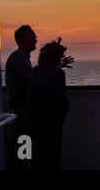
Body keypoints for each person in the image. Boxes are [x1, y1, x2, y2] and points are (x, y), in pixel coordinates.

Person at [28, 37, 71, 170]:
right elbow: (60, 98)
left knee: (36, 159)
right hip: (52, 123)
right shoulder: (58, 73)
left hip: (34, 122)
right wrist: (62, 116)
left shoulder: (34, 71)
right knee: (53, 158)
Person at [5, 25, 37, 170]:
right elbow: (33, 78)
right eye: (31, 38)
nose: (35, 40)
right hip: (20, 112)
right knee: (21, 150)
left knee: (22, 149)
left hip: (21, 111)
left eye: (34, 37)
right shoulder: (19, 58)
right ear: (21, 40)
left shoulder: (21, 58)